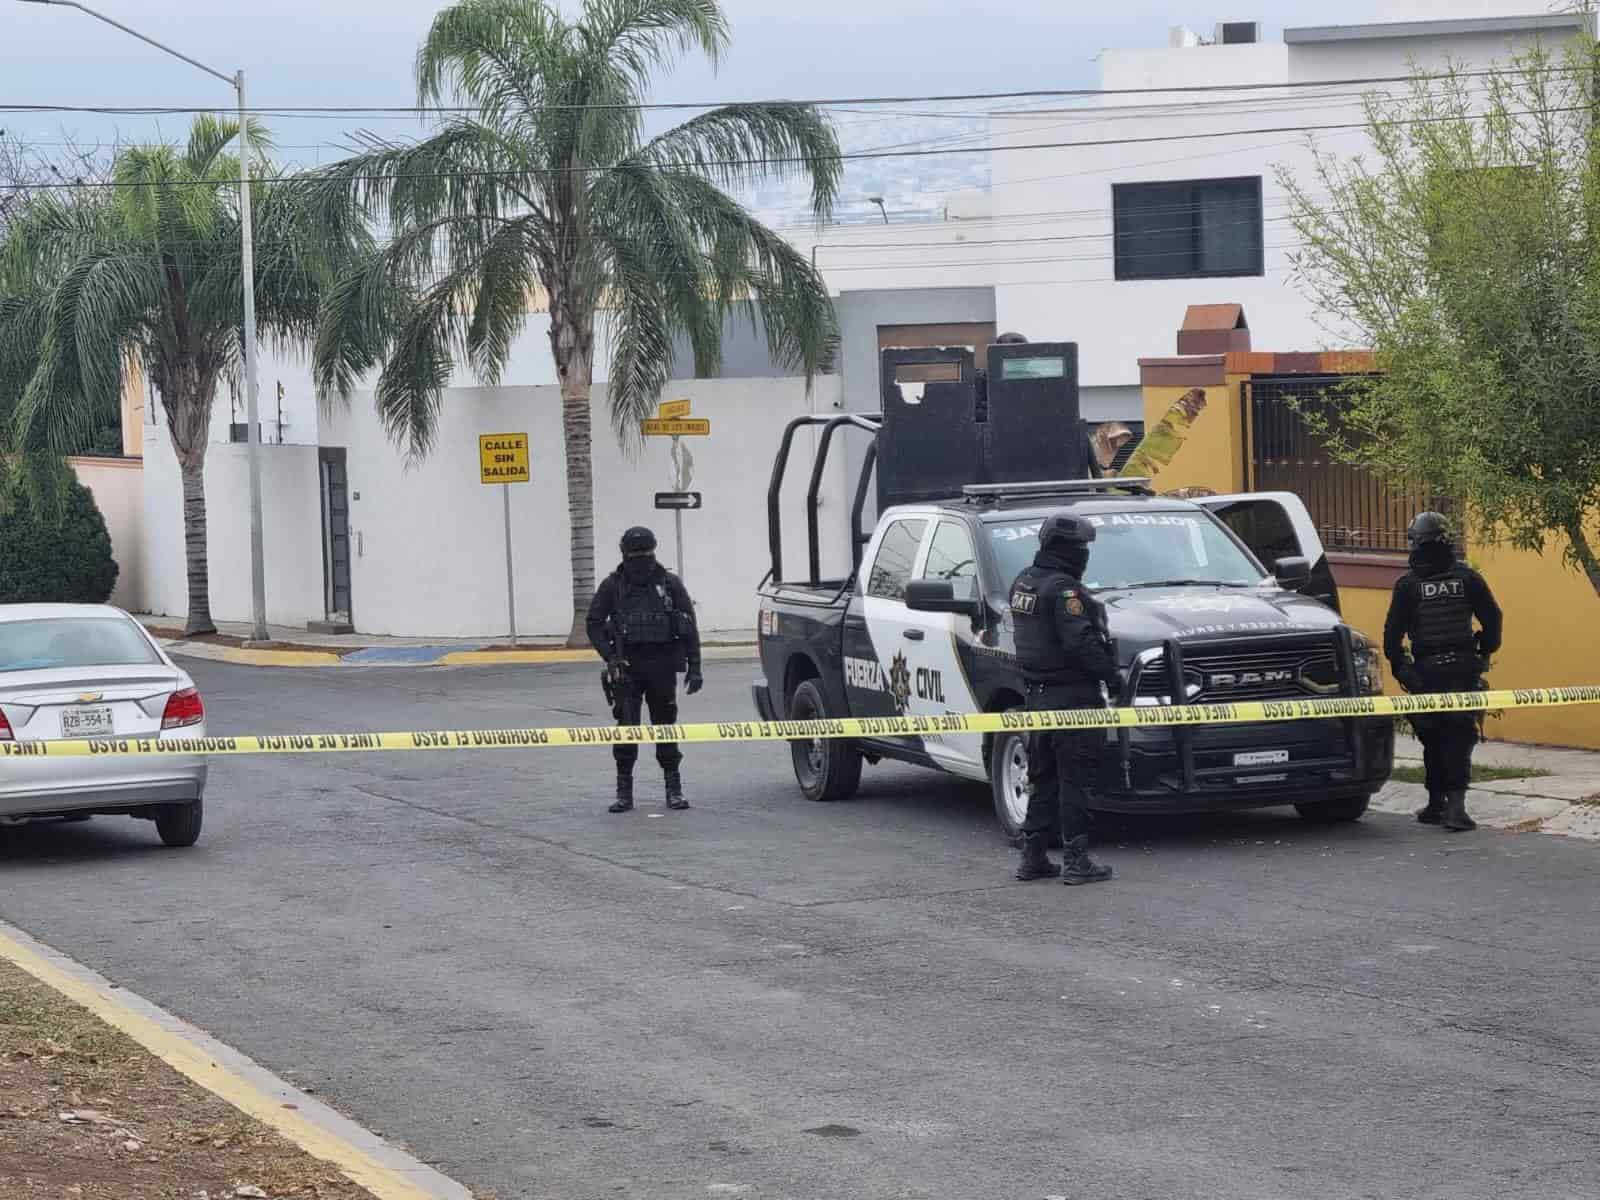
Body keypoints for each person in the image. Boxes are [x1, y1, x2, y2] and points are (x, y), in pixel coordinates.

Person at [1008, 511, 1120, 884]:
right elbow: (1080, 643)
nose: (1085, 556)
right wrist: (1111, 674)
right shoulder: (1064, 591)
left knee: (1045, 778)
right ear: (1066, 550)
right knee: (1075, 778)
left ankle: (1033, 856)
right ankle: (1075, 860)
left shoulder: (1024, 583)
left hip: (1037, 697)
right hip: (1073, 697)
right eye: (1082, 549)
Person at [1383, 511, 1503, 833]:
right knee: (1460, 735)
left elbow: (1392, 638)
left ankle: (1438, 804)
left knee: (1433, 737)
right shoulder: (1467, 578)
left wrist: (1405, 672)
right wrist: (1485, 650)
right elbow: (1493, 619)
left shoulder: (1408, 585)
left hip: (1427, 672)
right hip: (1462, 668)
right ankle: (1455, 808)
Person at [586, 526, 703, 814]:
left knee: (665, 728)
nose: (640, 559)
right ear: (625, 554)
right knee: (627, 729)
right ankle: (624, 793)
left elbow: (688, 626)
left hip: (662, 665)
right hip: (628, 668)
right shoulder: (613, 585)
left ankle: (674, 790)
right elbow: (594, 623)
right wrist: (610, 657)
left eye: (645, 553)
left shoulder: (669, 584)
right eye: (635, 554)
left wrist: (696, 666)